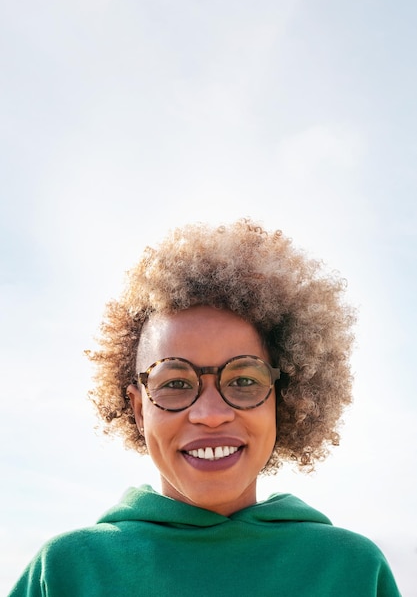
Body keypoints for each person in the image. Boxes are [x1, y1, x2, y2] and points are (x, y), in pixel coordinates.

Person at [9, 219, 400, 596]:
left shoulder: (352, 571)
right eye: (175, 383)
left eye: (244, 381)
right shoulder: (65, 573)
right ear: (139, 408)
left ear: (284, 399)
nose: (211, 413)